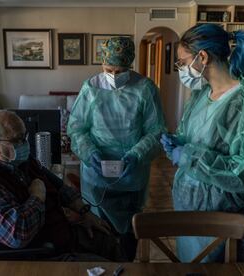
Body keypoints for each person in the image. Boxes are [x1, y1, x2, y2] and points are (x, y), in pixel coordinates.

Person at [161, 24, 244, 262]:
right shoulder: (199, 97)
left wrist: (188, 156)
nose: (181, 69)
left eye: (182, 62)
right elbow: (192, 139)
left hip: (225, 215)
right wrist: (177, 143)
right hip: (188, 210)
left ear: (202, 57)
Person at [0, 110, 127, 261]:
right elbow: (19, 235)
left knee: (109, 239)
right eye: (18, 139)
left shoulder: (19, 161)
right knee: (106, 268)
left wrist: (85, 212)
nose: (25, 143)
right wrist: (37, 196)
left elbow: (59, 186)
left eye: (24, 136)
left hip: (58, 236)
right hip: (38, 256)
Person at [67, 37, 166, 260]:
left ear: (129, 65)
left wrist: (136, 155)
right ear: (102, 63)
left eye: (119, 69)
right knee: (99, 230)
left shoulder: (145, 88)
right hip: (95, 171)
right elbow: (77, 129)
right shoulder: (91, 88)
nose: (112, 74)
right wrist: (89, 152)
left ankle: (127, 264)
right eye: (108, 68)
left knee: (129, 232)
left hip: (132, 171)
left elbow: (156, 131)